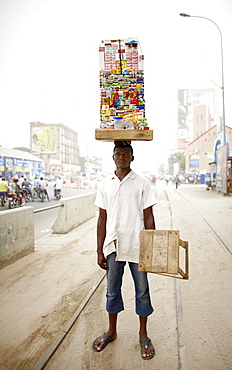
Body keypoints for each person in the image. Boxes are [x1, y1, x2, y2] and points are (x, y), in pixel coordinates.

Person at [92, 142, 156, 360]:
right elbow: (102, 219)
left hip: (137, 245)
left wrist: (152, 246)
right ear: (113, 158)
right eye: (118, 154)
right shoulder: (105, 185)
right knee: (111, 290)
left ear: (132, 158)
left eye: (125, 154)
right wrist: (99, 250)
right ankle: (111, 331)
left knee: (142, 291)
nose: (121, 157)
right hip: (113, 246)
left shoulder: (142, 183)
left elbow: (148, 216)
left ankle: (143, 335)